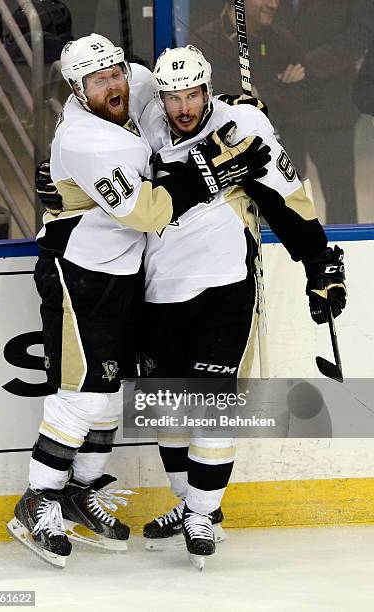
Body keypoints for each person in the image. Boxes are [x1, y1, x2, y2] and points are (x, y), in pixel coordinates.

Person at [8, 33, 271, 568]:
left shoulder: (137, 82)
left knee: (107, 394)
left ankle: (82, 491)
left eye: (116, 74)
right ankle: (39, 497)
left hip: (126, 274)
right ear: (77, 91)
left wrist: (239, 116)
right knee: (81, 394)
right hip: (79, 272)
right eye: (98, 80)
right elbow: (150, 212)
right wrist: (215, 172)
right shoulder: (88, 141)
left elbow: (187, 94)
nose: (113, 85)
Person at [137, 45, 347, 567]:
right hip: (158, 290)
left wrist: (319, 262)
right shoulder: (144, 125)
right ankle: (189, 506)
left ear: (207, 89)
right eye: (172, 97)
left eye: (192, 94)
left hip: (224, 286)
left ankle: (204, 514)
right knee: (168, 411)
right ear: (159, 97)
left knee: (211, 402)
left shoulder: (243, 128)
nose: (183, 106)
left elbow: (285, 198)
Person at [190, 0, 317, 171]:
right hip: (228, 168)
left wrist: (260, 91)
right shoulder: (204, 43)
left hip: (284, 165)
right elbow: (221, 103)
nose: (273, 5)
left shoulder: (284, 40)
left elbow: (312, 95)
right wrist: (280, 85)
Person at [275, 0, 373, 223]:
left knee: (340, 203)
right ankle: (286, 255)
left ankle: (345, 257)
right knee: (281, 200)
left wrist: (306, 65)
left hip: (332, 110)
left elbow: (360, 36)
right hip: (282, 112)